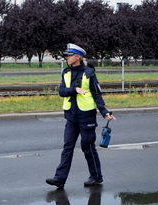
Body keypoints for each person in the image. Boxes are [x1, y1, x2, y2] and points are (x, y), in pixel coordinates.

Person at [46, 43, 116, 188]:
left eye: (69, 55)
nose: (67, 58)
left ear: (78, 57)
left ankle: (96, 177)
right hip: (71, 116)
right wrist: (75, 89)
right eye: (66, 55)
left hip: (87, 116)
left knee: (88, 147)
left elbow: (97, 94)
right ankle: (60, 178)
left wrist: (104, 112)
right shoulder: (66, 72)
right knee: (67, 147)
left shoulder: (89, 73)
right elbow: (61, 91)